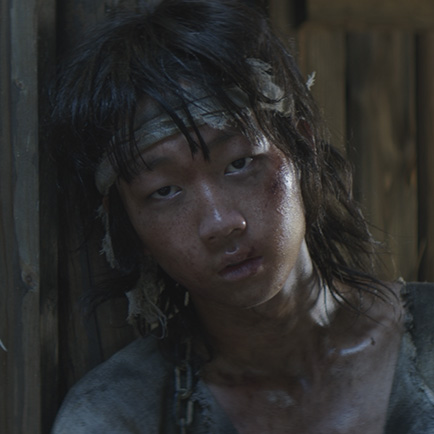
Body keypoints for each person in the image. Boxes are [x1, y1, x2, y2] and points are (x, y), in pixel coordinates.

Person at [49, 1, 434, 433]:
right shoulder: (114, 416)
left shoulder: (426, 342)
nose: (220, 223)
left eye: (239, 163)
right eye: (164, 191)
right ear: (128, 224)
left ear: (301, 148)